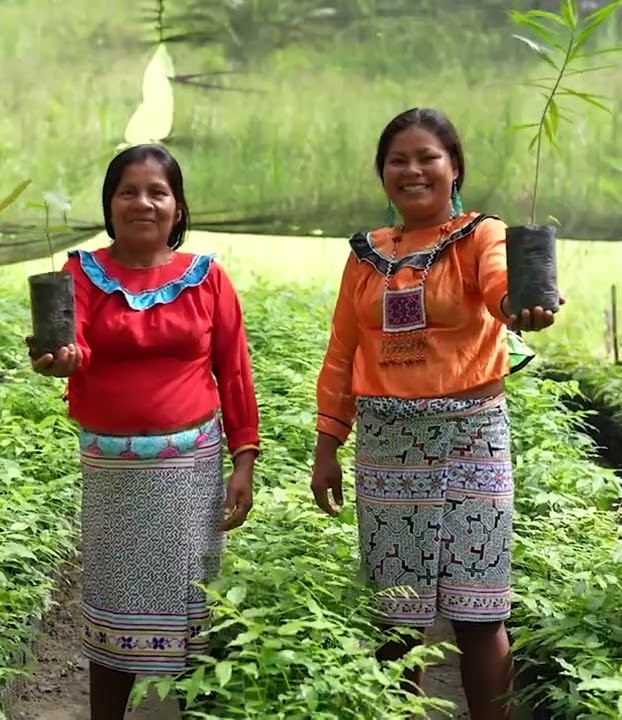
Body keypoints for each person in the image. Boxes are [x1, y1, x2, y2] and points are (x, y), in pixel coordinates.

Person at [309, 107, 560, 720]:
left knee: (480, 612)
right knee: (397, 615)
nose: (413, 170)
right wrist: (327, 443)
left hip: (471, 438)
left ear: (455, 168)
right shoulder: (367, 254)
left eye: (428, 158)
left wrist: (520, 303)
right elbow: (343, 349)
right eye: (398, 160)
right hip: (387, 446)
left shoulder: (479, 236)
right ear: (383, 173)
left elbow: (500, 286)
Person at [29, 143, 259, 719]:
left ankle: (186, 712)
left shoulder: (206, 278)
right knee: (113, 607)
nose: (143, 202)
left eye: (158, 192)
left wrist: (244, 461)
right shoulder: (81, 272)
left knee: (189, 611)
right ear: (109, 204)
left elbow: (233, 370)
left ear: (178, 209)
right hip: (114, 471)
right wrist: (61, 358)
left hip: (191, 467)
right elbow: (71, 340)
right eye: (128, 191)